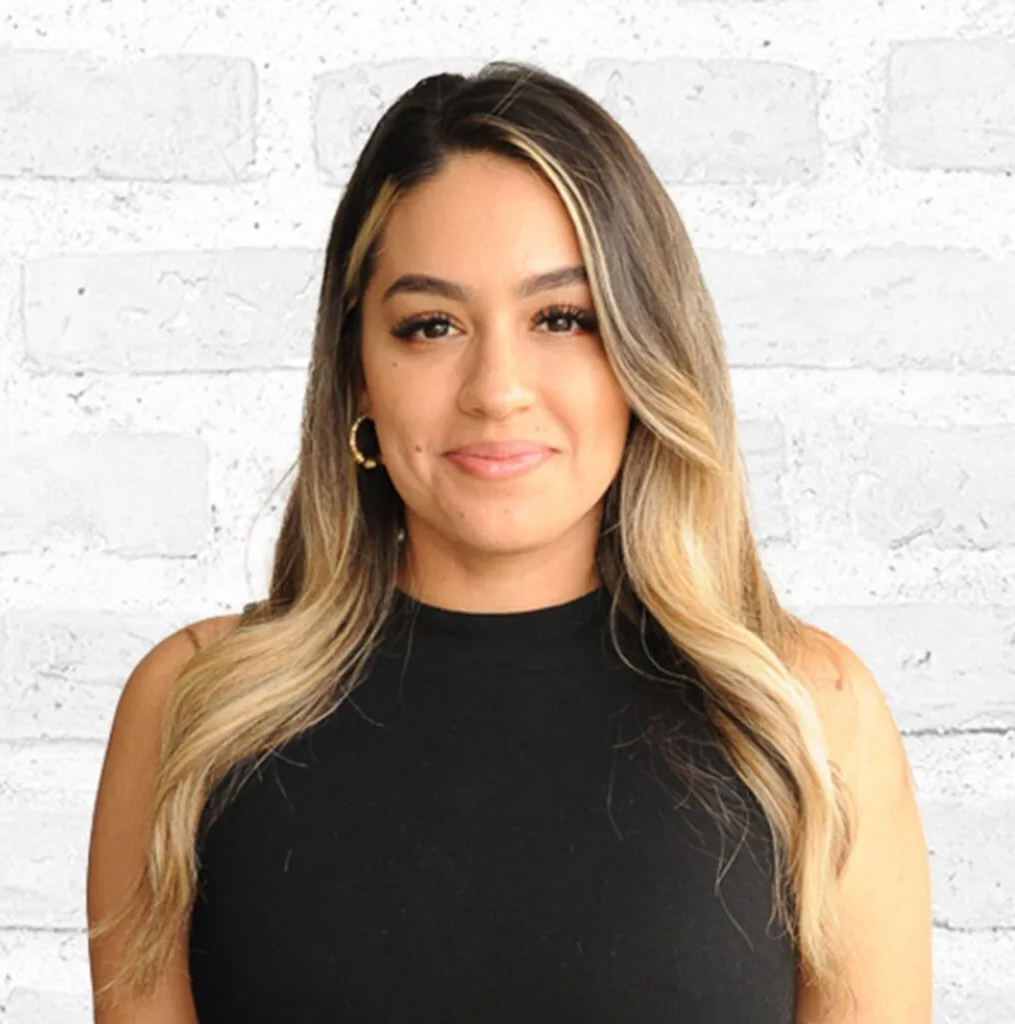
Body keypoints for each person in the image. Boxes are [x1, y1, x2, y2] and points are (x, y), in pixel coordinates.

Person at [86, 60, 932, 1023]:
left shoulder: (806, 720)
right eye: (431, 324)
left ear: (645, 354)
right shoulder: (193, 716)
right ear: (357, 370)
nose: (497, 387)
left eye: (562, 318)